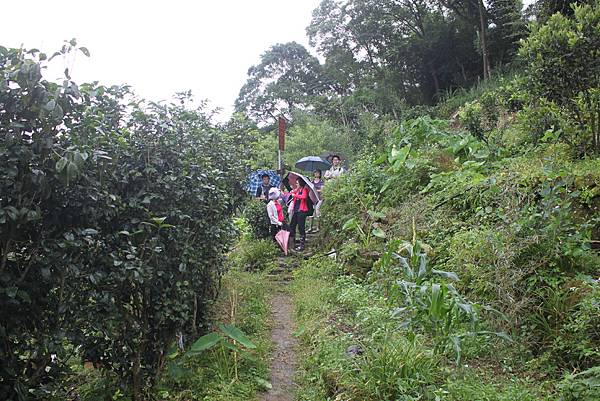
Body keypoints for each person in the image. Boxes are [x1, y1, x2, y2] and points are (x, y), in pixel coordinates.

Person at [289, 177, 309, 251]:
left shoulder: (304, 190)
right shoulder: (297, 190)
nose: (296, 184)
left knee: (301, 227)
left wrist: (295, 195)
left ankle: (302, 244)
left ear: (301, 183)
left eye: (297, 183)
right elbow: (291, 193)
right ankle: (292, 242)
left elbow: (304, 197)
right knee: (292, 225)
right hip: (296, 211)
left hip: (302, 211)